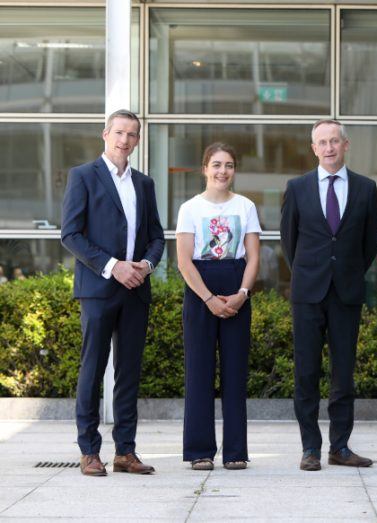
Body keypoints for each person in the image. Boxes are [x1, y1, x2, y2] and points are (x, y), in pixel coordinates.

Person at [61, 109, 165, 476]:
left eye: (132, 135)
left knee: (129, 372)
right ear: (105, 135)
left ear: (137, 140)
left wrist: (146, 266)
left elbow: (156, 236)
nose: (125, 140)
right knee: (93, 369)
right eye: (119, 133)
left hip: (136, 289)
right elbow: (70, 234)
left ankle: (125, 451)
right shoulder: (83, 177)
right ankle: (89, 450)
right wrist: (113, 266)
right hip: (99, 288)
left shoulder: (145, 183)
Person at [280, 119, 377, 471]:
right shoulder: (297, 188)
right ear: (313, 148)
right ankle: (310, 447)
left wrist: (346, 272)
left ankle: (340, 446)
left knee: (343, 373)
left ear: (346, 144)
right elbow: (289, 242)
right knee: (306, 373)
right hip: (308, 293)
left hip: (346, 293)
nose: (328, 148)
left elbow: (369, 244)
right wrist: (310, 272)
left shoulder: (367, 189)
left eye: (334, 141)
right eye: (322, 142)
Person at [176, 142, 261, 471]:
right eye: (216, 165)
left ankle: (236, 451)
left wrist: (242, 293)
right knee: (198, 371)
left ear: (234, 170)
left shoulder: (246, 206)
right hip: (201, 288)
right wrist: (208, 299)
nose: (222, 171)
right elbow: (184, 261)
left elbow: (253, 256)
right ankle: (200, 450)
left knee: (235, 373)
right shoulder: (190, 208)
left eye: (228, 165)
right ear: (204, 169)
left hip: (236, 283)